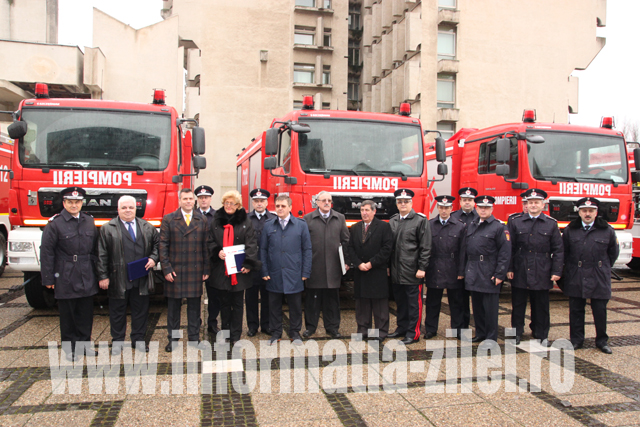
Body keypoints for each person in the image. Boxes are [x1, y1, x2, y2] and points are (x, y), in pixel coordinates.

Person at [40, 187, 98, 361]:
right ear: (64, 203)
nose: (74, 205)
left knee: (85, 312)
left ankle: (84, 344)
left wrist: (98, 273)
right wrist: (48, 278)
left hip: (86, 272)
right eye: (70, 202)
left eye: (77, 202)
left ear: (82, 203)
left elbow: (95, 249)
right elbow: (47, 253)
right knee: (68, 314)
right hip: (65, 273)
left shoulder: (89, 221)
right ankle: (70, 348)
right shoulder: (55, 224)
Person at [97, 195, 159, 355]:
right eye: (124, 207)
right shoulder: (107, 228)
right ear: (118, 209)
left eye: (131, 207)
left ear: (136, 208)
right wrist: (103, 276)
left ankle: (138, 339)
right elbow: (101, 254)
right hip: (118, 278)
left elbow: (157, 246)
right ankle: (117, 341)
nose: (127, 210)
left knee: (141, 310)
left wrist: (153, 258)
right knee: (117, 312)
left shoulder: (147, 227)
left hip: (141, 277)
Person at [562, 197, 619, 354]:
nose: (587, 214)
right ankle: (576, 340)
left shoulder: (607, 230)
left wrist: (602, 267)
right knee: (576, 310)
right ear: (579, 212)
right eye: (584, 211)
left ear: (596, 212)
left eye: (591, 211)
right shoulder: (569, 230)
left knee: (600, 310)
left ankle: (602, 341)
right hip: (576, 274)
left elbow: (613, 253)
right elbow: (564, 253)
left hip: (598, 275)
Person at [507, 189, 563, 345]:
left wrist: (556, 271)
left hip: (542, 267)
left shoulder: (551, 223)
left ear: (542, 205)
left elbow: (558, 249)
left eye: (536, 202)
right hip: (520, 267)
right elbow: (509, 247)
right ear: (526, 204)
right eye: (530, 202)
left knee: (541, 304)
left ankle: (541, 332)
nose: (533, 205)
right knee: (518, 304)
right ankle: (516, 332)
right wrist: (509, 268)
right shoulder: (515, 221)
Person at [159, 188, 210, 352]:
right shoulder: (169, 219)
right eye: (185, 199)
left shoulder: (201, 219)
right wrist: (166, 268)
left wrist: (206, 268)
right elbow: (163, 246)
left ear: (194, 201)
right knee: (173, 308)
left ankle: (194, 338)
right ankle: (172, 340)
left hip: (195, 269)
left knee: (195, 308)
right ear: (179, 201)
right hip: (175, 270)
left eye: (190, 199)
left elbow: (205, 246)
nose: (188, 201)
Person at [260, 195, 312, 346]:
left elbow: (307, 249)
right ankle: (276, 332)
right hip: (274, 272)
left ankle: (294, 332)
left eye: (283, 206)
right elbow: (263, 250)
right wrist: (264, 270)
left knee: (295, 305)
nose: (280, 209)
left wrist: (305, 272)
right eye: (277, 206)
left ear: (290, 207)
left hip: (294, 272)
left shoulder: (301, 225)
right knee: (274, 305)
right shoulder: (269, 225)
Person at [210, 190, 261, 344]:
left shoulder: (246, 221)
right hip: (221, 269)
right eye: (226, 203)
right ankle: (225, 333)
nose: (229, 206)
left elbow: (251, 244)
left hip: (239, 271)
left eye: (232, 203)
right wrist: (217, 251)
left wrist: (248, 264)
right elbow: (210, 240)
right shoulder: (216, 220)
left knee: (238, 304)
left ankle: (235, 335)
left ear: (238, 205)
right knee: (224, 304)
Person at [303, 191, 350, 339]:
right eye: (323, 200)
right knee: (312, 301)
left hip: (333, 267)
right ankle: (310, 328)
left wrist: (347, 261)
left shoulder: (339, 218)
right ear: (317, 202)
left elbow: (346, 241)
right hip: (314, 267)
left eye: (329, 200)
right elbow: (303, 244)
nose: (327, 203)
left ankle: (333, 328)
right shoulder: (307, 219)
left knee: (332, 301)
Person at [464, 195, 511, 343]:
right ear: (476, 208)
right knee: (477, 306)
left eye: (486, 208)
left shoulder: (499, 227)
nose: (483, 210)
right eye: (480, 208)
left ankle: (491, 337)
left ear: (492, 209)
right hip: (473, 269)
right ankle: (480, 333)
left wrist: (499, 274)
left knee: (490, 308)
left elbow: (505, 252)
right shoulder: (472, 225)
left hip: (489, 271)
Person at [388, 189, 431, 345]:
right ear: (396, 204)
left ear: (411, 203)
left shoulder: (420, 220)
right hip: (396, 270)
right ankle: (402, 328)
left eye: (406, 201)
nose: (403, 204)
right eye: (400, 202)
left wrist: (422, 268)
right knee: (401, 303)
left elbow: (425, 247)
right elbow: (389, 247)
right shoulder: (393, 220)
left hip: (413, 271)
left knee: (414, 305)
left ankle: (413, 333)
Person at [348, 200, 393, 341]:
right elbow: (350, 248)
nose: (364, 213)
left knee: (379, 305)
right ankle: (362, 330)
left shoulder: (384, 227)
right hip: (360, 271)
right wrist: (358, 263)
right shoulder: (355, 228)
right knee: (362, 304)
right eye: (362, 210)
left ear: (374, 211)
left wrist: (371, 263)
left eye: (367, 210)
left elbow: (387, 249)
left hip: (376, 271)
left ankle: (381, 332)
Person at [424, 195, 467, 340]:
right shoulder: (429, 224)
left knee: (456, 302)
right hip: (434, 267)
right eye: (441, 207)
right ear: (437, 208)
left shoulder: (460, 226)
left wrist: (461, 271)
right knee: (432, 302)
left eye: (447, 207)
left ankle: (457, 330)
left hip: (453, 267)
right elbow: (425, 248)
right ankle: (430, 329)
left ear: (452, 208)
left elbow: (463, 251)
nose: (444, 210)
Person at [246, 188, 275, 336]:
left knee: (267, 297)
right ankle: (252, 326)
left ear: (267, 202)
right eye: (256, 201)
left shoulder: (273, 219)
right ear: (252, 202)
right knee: (250, 297)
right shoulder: (245, 218)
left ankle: (266, 325)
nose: (259, 203)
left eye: (262, 201)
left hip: (267, 264)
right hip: (250, 264)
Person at [450, 187, 478, 330]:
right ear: (460, 201)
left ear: (474, 202)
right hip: (458, 263)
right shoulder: (453, 216)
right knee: (458, 298)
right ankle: (458, 327)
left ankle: (470, 325)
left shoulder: (479, 217)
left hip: (475, 263)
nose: (467, 202)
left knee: (476, 298)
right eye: (465, 200)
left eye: (470, 200)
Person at [195, 184, 220, 337]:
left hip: (213, 262)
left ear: (211, 198)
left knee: (214, 296)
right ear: (197, 199)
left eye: (206, 197)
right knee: (194, 296)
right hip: (196, 261)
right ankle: (195, 322)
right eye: (201, 197)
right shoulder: (191, 215)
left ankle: (212, 323)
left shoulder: (217, 216)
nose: (203, 200)